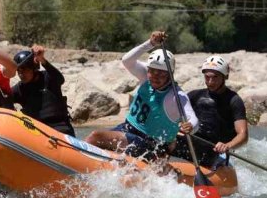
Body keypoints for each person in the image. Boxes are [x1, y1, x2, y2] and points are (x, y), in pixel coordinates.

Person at [85, 30, 198, 160]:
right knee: (97, 143)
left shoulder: (176, 96)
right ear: (148, 69)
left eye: (161, 74)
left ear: (170, 74)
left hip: (151, 144)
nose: (155, 77)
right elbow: (127, 60)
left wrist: (190, 126)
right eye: (152, 72)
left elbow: (194, 120)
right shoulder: (146, 75)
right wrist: (150, 43)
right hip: (128, 129)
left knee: (95, 137)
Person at [173, 55, 248, 168]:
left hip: (214, 149)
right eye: (207, 77)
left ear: (224, 77)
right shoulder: (194, 95)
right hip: (190, 142)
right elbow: (173, 117)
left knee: (205, 153)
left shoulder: (234, 101)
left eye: (215, 77)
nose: (210, 81)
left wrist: (227, 145)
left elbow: (243, 135)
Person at [10, 44, 75, 136]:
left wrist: (42, 59)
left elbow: (60, 79)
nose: (21, 74)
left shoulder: (48, 78)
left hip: (60, 128)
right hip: (37, 132)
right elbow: (3, 97)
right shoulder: (20, 88)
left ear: (34, 68)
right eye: (19, 71)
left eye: (25, 70)